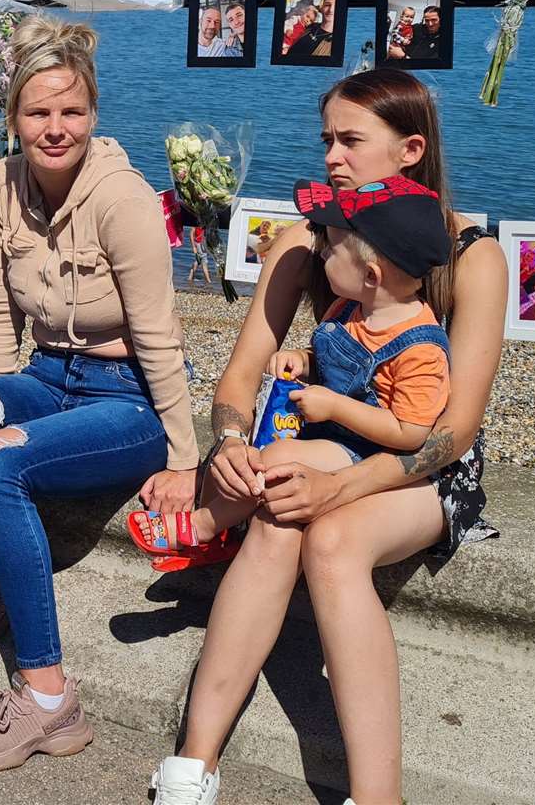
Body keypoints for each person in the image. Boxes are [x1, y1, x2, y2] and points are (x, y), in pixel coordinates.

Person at [149, 68, 504, 805]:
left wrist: (340, 486)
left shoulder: (473, 256)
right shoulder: (306, 241)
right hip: (321, 442)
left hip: (420, 467)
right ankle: (196, 760)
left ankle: (379, 798)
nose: (331, 157)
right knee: (281, 510)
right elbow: (239, 380)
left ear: (410, 150)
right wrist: (233, 444)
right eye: (327, 140)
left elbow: (451, 430)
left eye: (350, 141)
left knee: (333, 539)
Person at [0, 16, 198, 770]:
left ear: (93, 114)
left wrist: (184, 458)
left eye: (70, 111)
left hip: (125, 398)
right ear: (12, 118)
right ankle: (10, 564)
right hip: (46, 375)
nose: (55, 128)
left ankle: (48, 698)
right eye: (38, 112)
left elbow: (159, 334)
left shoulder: (123, 199)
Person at [131, 176, 452, 569]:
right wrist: (304, 360)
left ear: (371, 276)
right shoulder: (351, 310)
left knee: (274, 459)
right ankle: (227, 527)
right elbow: (335, 361)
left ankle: (204, 528)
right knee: (246, 452)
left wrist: (334, 407)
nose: (321, 255)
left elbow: (411, 431)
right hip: (331, 432)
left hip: (369, 451)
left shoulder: (421, 348)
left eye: (332, 249)